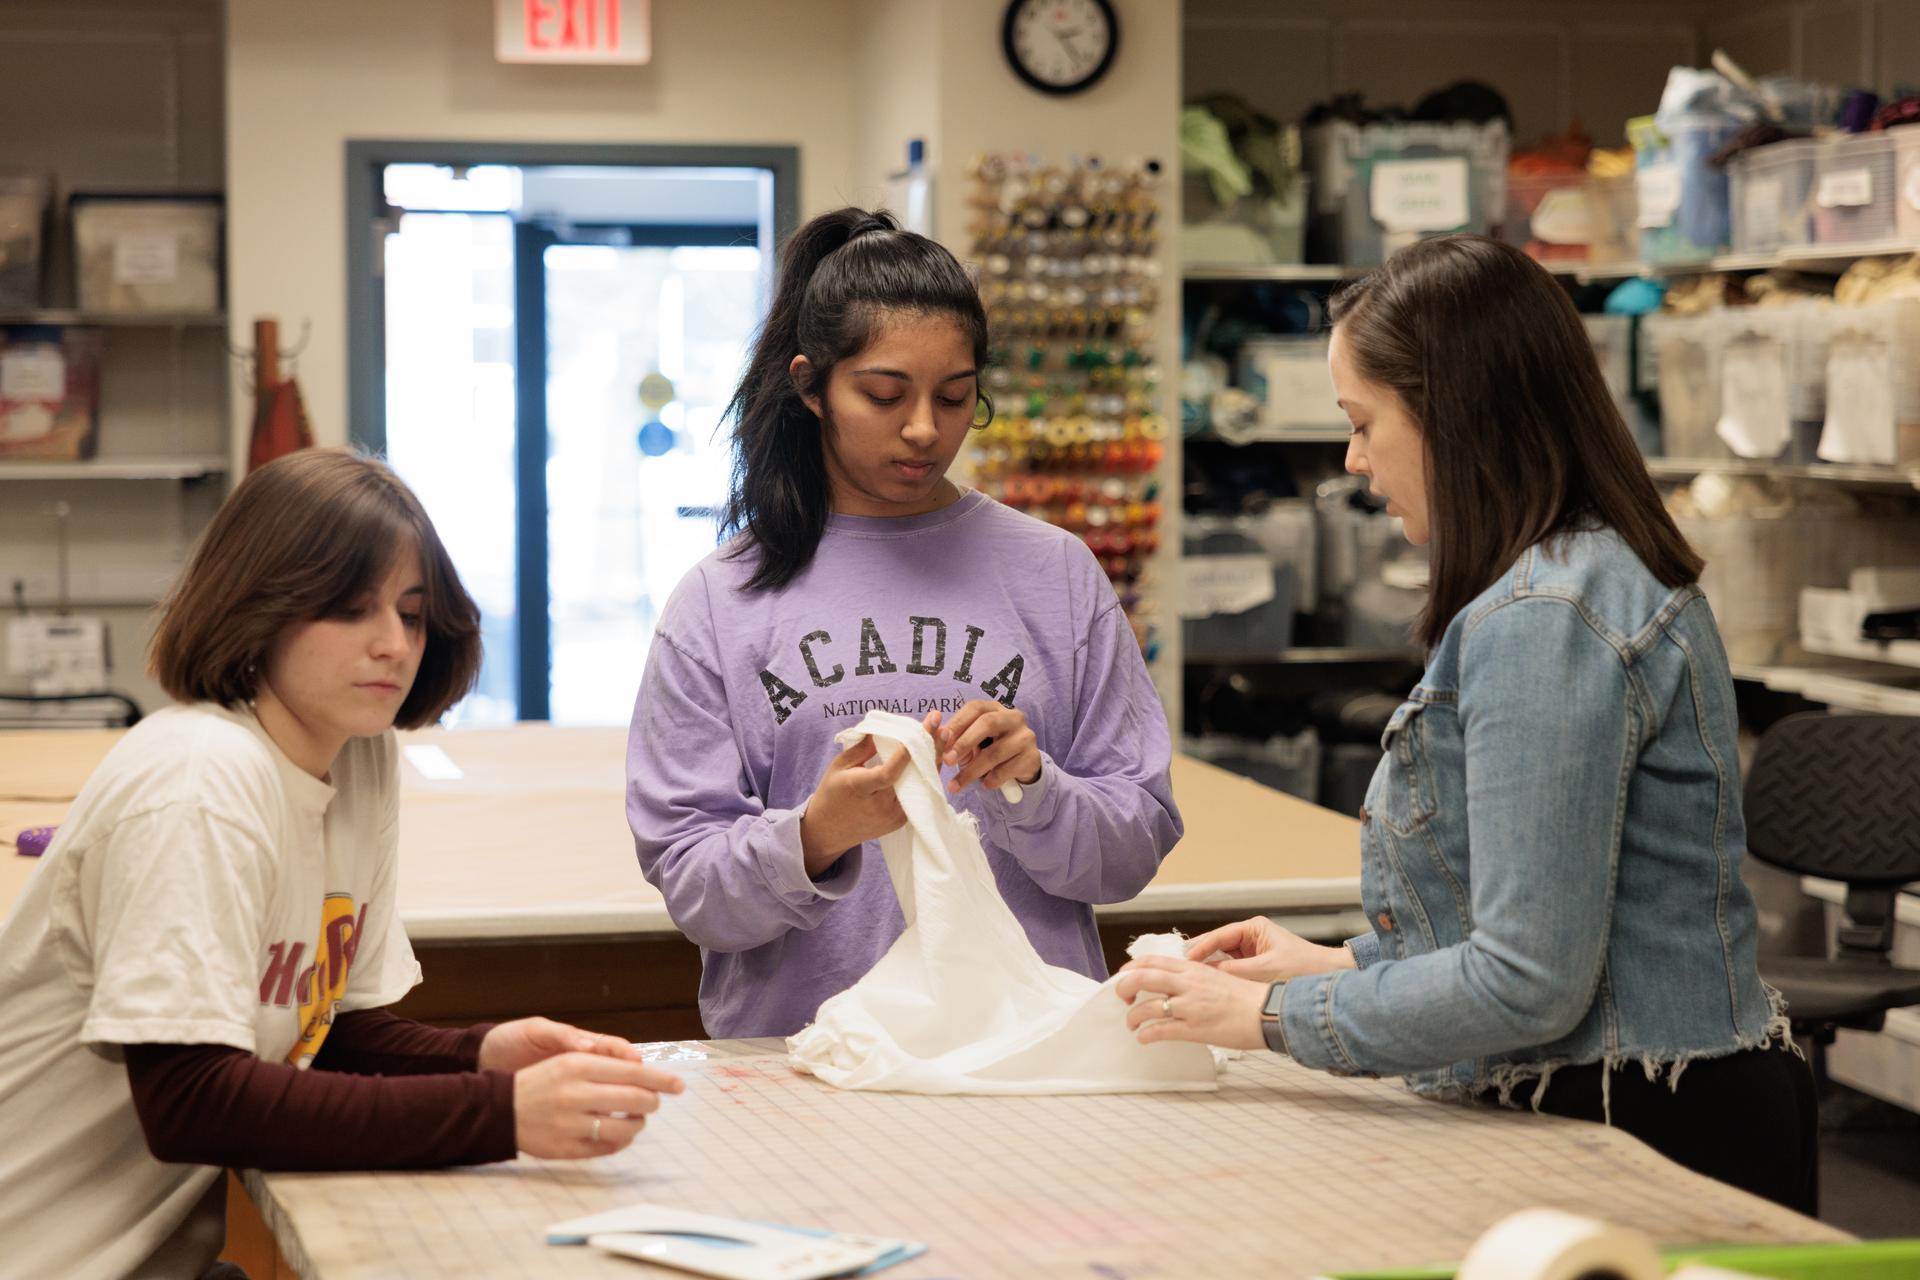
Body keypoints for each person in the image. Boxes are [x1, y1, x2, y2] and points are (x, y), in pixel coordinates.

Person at [1116, 235, 1817, 1214]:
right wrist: (1332, 961)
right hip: (1667, 1091)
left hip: (1645, 1132)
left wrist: (1265, 1013)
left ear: (1453, 412)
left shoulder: (1545, 619)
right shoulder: (1595, 572)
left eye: (1364, 423)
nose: (1356, 462)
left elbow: (1529, 981)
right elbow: (1569, 921)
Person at [0, 449, 684, 1280]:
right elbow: (188, 1100)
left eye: (413, 612)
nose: (392, 645)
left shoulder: (358, 760)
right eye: (349, 609)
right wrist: (501, 1112)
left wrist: (482, 1052)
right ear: (260, 607)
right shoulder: (200, 781)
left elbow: (330, 1035)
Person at [626, 207, 1181, 1038]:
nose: (925, 428)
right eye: (885, 395)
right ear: (811, 386)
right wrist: (816, 835)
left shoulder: (1056, 574)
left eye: (955, 397)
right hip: (807, 1065)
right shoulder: (721, 599)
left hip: (1026, 1063)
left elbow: (1136, 845)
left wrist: (1035, 789)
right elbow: (694, 888)